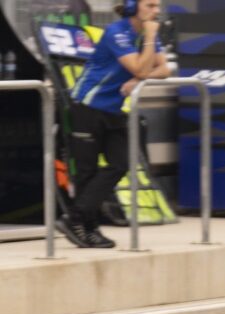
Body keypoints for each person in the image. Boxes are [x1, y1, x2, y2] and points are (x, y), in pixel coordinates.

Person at [57, 0, 169, 248]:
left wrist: (139, 79)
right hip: (87, 106)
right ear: (132, 7)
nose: (156, 11)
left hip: (113, 110)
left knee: (121, 163)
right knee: (86, 171)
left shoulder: (147, 35)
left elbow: (164, 69)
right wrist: (149, 42)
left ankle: (75, 217)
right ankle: (88, 229)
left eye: (158, 6)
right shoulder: (116, 32)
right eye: (150, 5)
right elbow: (139, 68)